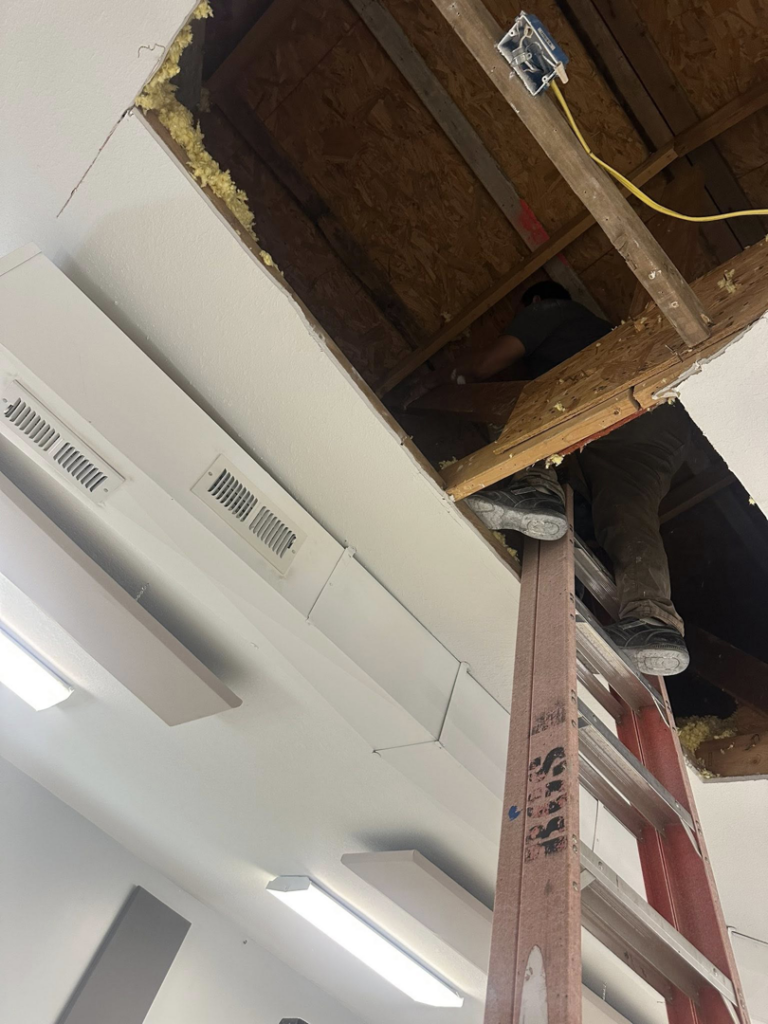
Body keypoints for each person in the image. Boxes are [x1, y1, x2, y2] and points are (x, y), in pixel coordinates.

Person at [459, 281, 691, 676]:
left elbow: (486, 366)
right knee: (627, 513)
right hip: (663, 424)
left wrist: (452, 373)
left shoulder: (546, 310)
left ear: (535, 300)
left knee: (528, 402)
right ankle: (653, 623)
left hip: (608, 395)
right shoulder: (592, 330)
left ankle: (536, 488)